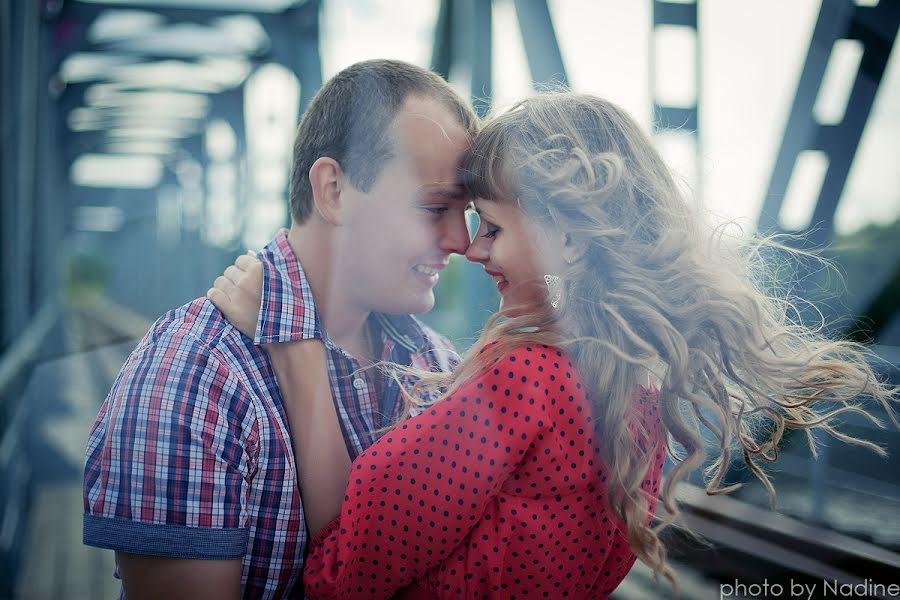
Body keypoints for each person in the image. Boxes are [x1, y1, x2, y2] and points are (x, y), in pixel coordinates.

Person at [209, 91, 899, 599]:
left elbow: (341, 578)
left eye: (492, 228)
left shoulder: (524, 387)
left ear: (567, 239)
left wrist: (296, 351)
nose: (471, 248)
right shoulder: (630, 392)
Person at [82, 59, 478, 599]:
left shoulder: (437, 367)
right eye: (434, 206)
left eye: (469, 213)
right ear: (333, 189)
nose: (462, 241)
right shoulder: (193, 373)